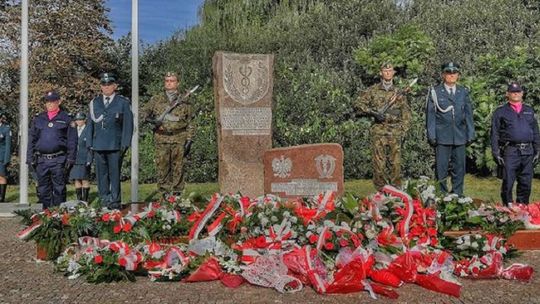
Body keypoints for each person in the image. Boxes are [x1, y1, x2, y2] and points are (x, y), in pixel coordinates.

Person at [354, 63, 411, 190]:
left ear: (393, 73)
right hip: (379, 131)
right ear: (381, 73)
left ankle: (396, 192)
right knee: (379, 164)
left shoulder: (399, 92)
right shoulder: (373, 91)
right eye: (385, 71)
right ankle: (381, 192)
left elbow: (406, 113)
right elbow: (358, 104)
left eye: (390, 71)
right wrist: (372, 113)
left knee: (395, 164)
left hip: (395, 131)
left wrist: (403, 130)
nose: (388, 73)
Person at [426, 62, 475, 196]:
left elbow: (468, 114)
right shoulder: (435, 92)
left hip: (459, 135)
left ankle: (457, 194)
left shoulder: (463, 91)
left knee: (459, 167)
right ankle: (441, 194)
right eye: (448, 73)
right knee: (441, 168)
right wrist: (432, 135)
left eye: (454, 73)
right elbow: (431, 115)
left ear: (458, 75)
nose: (452, 75)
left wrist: (470, 133)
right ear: (443, 75)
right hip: (442, 136)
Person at [87, 73, 133, 209]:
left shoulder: (123, 102)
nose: (106, 87)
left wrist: (125, 143)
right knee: (101, 175)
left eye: (109, 85)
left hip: (115, 144)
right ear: (101, 87)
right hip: (98, 144)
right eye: (104, 85)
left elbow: (128, 124)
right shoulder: (94, 102)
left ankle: (115, 201)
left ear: (115, 86)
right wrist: (89, 143)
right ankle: (104, 200)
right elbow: (90, 124)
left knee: (114, 174)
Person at [143, 72, 194, 196]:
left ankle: (177, 198)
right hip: (161, 138)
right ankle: (164, 197)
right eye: (167, 80)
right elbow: (144, 114)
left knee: (179, 168)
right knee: (162, 168)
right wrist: (152, 121)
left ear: (178, 83)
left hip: (179, 137)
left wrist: (189, 139)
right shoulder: (156, 99)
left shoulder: (185, 100)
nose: (169, 83)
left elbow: (191, 121)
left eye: (172, 80)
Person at [491, 82, 540, 206]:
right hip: (511, 151)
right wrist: (496, 152)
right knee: (508, 182)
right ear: (508, 94)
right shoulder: (500, 112)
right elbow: (495, 133)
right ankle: (508, 208)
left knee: (526, 183)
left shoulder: (529, 110)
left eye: (518, 91)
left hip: (527, 151)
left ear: (522, 93)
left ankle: (522, 208)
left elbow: (535, 131)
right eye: (513, 92)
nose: (516, 94)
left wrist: (538, 150)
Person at [27, 90, 77, 209]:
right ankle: (46, 215)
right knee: (43, 189)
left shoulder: (66, 118)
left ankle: (59, 216)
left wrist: (71, 158)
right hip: (41, 160)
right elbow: (32, 140)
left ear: (58, 102)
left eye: (52, 101)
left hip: (58, 159)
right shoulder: (38, 118)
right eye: (47, 102)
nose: (50, 104)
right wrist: (29, 158)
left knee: (59, 189)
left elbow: (72, 141)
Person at [69, 112, 92, 202]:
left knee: (84, 179)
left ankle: (85, 201)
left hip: (84, 158)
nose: (78, 121)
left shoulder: (88, 130)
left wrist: (89, 159)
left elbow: (90, 146)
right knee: (76, 179)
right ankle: (79, 200)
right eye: (77, 120)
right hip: (75, 158)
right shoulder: (73, 130)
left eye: (80, 119)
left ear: (84, 120)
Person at [0, 111, 11, 202]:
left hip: (1, 156)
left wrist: (6, 159)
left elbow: (8, 145)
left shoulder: (6, 129)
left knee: (2, 176)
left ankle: (1, 197)